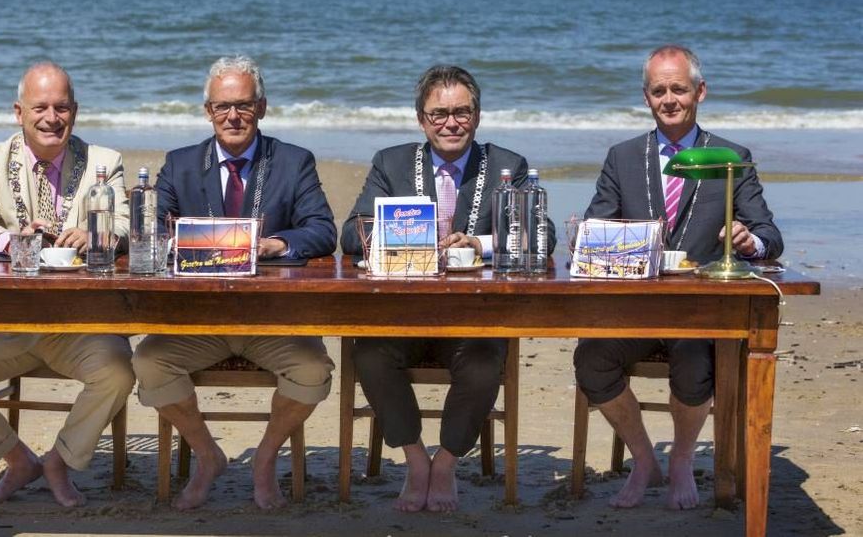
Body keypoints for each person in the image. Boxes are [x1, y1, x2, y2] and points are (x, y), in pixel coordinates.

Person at [573, 45, 783, 510]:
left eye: (679, 89)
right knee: (591, 359)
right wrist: (593, 241)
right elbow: (595, 229)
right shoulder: (623, 156)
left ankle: (683, 460)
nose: (669, 99)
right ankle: (645, 460)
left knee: (693, 364)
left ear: (700, 92)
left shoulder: (730, 156)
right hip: (634, 315)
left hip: (699, 316)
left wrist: (751, 242)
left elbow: (770, 234)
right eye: (658, 90)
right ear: (646, 97)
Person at [339, 65, 556, 512]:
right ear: (421, 119)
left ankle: (448, 463)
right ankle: (417, 461)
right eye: (439, 114)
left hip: (472, 321)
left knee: (482, 364)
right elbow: (349, 235)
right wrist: (411, 236)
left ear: (477, 116)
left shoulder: (506, 165)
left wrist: (481, 242)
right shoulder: (391, 162)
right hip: (403, 317)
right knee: (368, 354)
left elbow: (544, 238)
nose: (450, 123)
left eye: (461, 112)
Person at [131, 56, 336, 510]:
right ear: (207, 111)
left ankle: (265, 459)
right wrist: (176, 241)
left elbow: (324, 230)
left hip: (273, 323)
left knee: (314, 371)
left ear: (261, 107)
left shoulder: (293, 161)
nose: (233, 116)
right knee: (147, 362)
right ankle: (208, 456)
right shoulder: (181, 164)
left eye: (243, 105)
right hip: (199, 324)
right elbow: (152, 231)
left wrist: (277, 244)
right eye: (222, 107)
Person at [0, 61, 134, 507]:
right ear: (19, 112)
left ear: (76, 111)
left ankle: (59, 461)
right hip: (6, 325)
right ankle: (18, 459)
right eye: (41, 107)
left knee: (120, 370)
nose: (52, 117)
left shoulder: (105, 162)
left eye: (62, 107)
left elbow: (125, 224)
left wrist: (98, 233)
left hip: (79, 327)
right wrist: (11, 241)